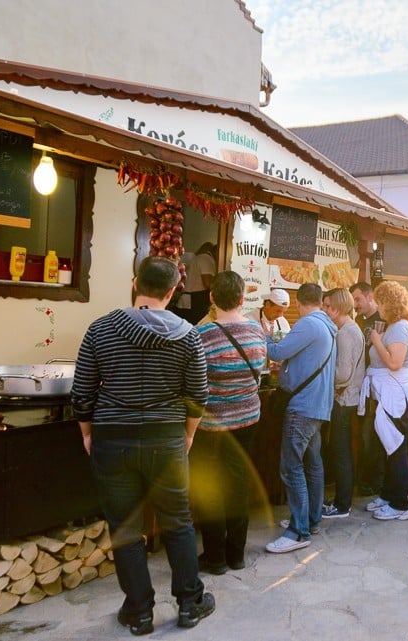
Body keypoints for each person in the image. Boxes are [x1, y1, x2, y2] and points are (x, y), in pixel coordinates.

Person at [71, 256, 214, 635]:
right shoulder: (189, 335)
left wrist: (88, 432)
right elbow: (198, 395)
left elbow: (82, 392)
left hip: (112, 440)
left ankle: (139, 611)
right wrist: (188, 435)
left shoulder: (101, 329)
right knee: (178, 522)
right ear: (172, 291)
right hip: (166, 440)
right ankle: (189, 603)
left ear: (135, 283)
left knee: (126, 527)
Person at [192, 271, 266, 575]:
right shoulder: (256, 330)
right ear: (241, 298)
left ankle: (215, 557)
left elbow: (195, 385)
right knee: (237, 484)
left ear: (211, 298)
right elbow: (260, 371)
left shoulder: (202, 335)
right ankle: (236, 554)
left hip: (212, 425)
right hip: (248, 418)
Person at [264, 283, 336, 553]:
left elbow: (277, 352)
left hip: (302, 407)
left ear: (297, 301)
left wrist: (266, 336)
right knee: (313, 465)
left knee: (292, 468)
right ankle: (311, 520)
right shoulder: (327, 325)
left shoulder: (307, 324)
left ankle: (298, 531)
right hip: (317, 406)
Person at [363, 281, 408, 521]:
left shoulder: (398, 328)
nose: (376, 305)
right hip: (393, 392)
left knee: (397, 449)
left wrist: (376, 339)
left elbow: (394, 363)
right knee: (392, 448)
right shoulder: (397, 326)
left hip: (397, 394)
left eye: (379, 301)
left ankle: (400, 504)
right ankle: (388, 496)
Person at [321, 287, 365, 518]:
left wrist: (321, 374)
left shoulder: (347, 332)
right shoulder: (347, 329)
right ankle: (341, 501)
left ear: (338, 307)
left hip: (344, 398)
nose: (325, 310)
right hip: (346, 398)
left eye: (328, 306)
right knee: (340, 450)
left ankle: (342, 505)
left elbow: (343, 374)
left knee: (340, 451)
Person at [350, 281, 383, 494]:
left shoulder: (383, 320)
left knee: (372, 435)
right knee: (362, 435)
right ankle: (362, 478)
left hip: (377, 387)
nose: (355, 304)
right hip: (360, 386)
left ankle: (373, 481)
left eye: (358, 299)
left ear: (370, 296)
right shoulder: (358, 321)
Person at [184, 242, 217, 324]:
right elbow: (207, 283)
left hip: (191, 299)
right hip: (195, 300)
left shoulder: (200, 258)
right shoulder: (206, 258)